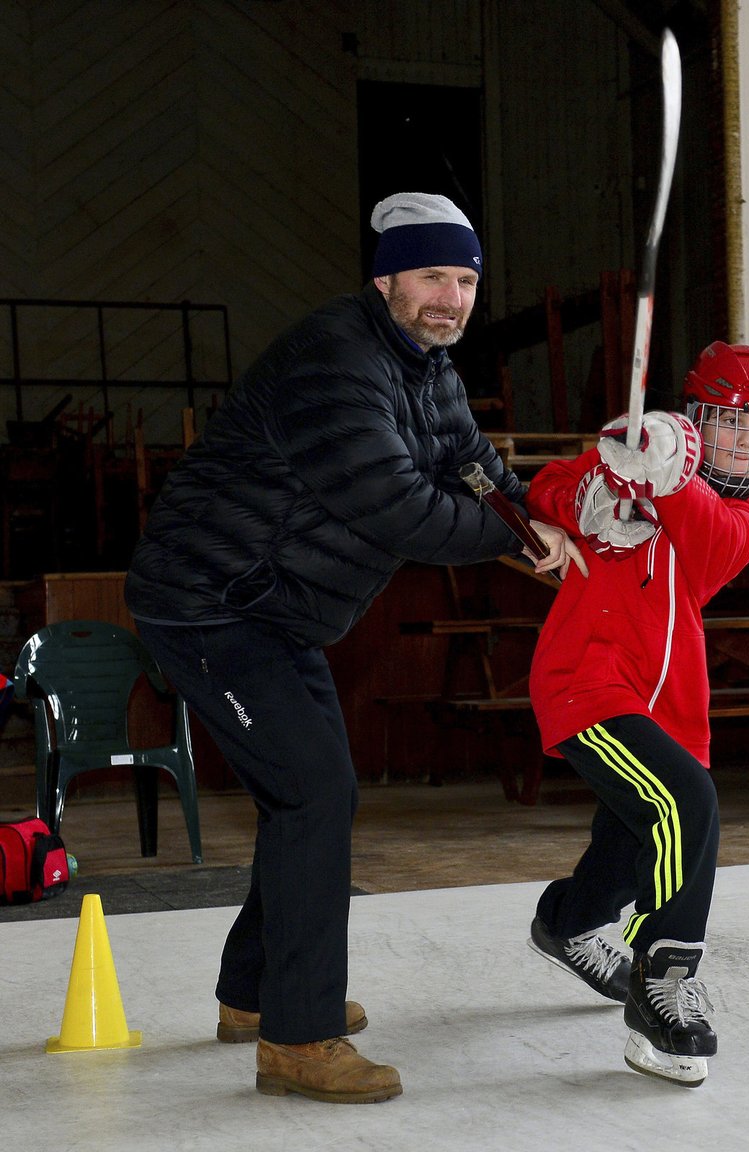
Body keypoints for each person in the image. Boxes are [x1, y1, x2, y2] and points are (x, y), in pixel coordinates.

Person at [124, 192, 585, 1105]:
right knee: (313, 791)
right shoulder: (336, 360)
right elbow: (394, 505)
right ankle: (298, 1039)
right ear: (385, 278)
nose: (450, 298)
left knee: (308, 794)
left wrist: (546, 517)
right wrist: (515, 543)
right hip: (209, 604)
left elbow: (472, 467)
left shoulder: (426, 365)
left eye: (466, 279)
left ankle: (257, 997)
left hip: (271, 612)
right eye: (431, 277)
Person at [524, 341, 749, 1086]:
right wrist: (594, 491)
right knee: (687, 801)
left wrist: (666, 478)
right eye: (732, 423)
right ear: (702, 416)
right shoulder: (646, 453)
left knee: (633, 836)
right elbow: (542, 489)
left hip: (667, 703)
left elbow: (711, 540)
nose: (747, 442)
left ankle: (569, 922)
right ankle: (661, 980)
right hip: (586, 681)